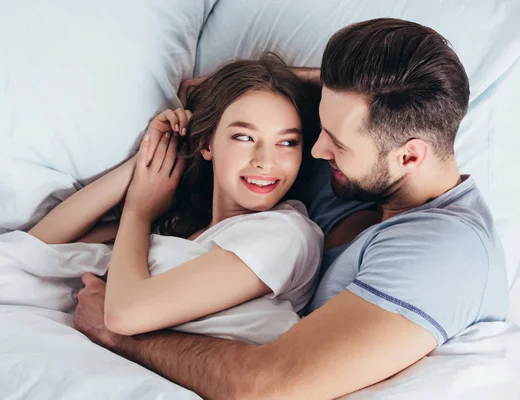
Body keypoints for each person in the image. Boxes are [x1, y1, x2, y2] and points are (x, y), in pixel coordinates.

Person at [73, 18, 509, 399]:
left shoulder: (446, 253)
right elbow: (202, 93)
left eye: (335, 142)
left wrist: (118, 336)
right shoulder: (364, 171)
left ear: (409, 156)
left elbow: (267, 388)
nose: (318, 150)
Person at [29, 54, 324, 344]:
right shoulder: (179, 224)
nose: (266, 161)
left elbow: (125, 315)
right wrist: (154, 155)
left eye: (287, 142)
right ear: (206, 144)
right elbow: (35, 247)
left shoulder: (286, 233)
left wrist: (138, 213)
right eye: (244, 137)